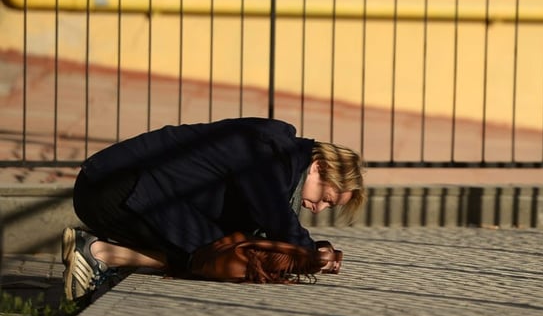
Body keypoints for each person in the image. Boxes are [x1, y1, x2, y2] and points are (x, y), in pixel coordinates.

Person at [62, 117, 365, 299]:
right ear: (318, 166)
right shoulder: (269, 150)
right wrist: (309, 254)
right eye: (327, 198)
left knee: (230, 253)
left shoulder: (278, 156)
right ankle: (99, 253)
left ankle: (99, 253)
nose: (318, 208)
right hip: (112, 187)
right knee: (229, 258)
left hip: (123, 187)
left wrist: (307, 251)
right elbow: (274, 217)